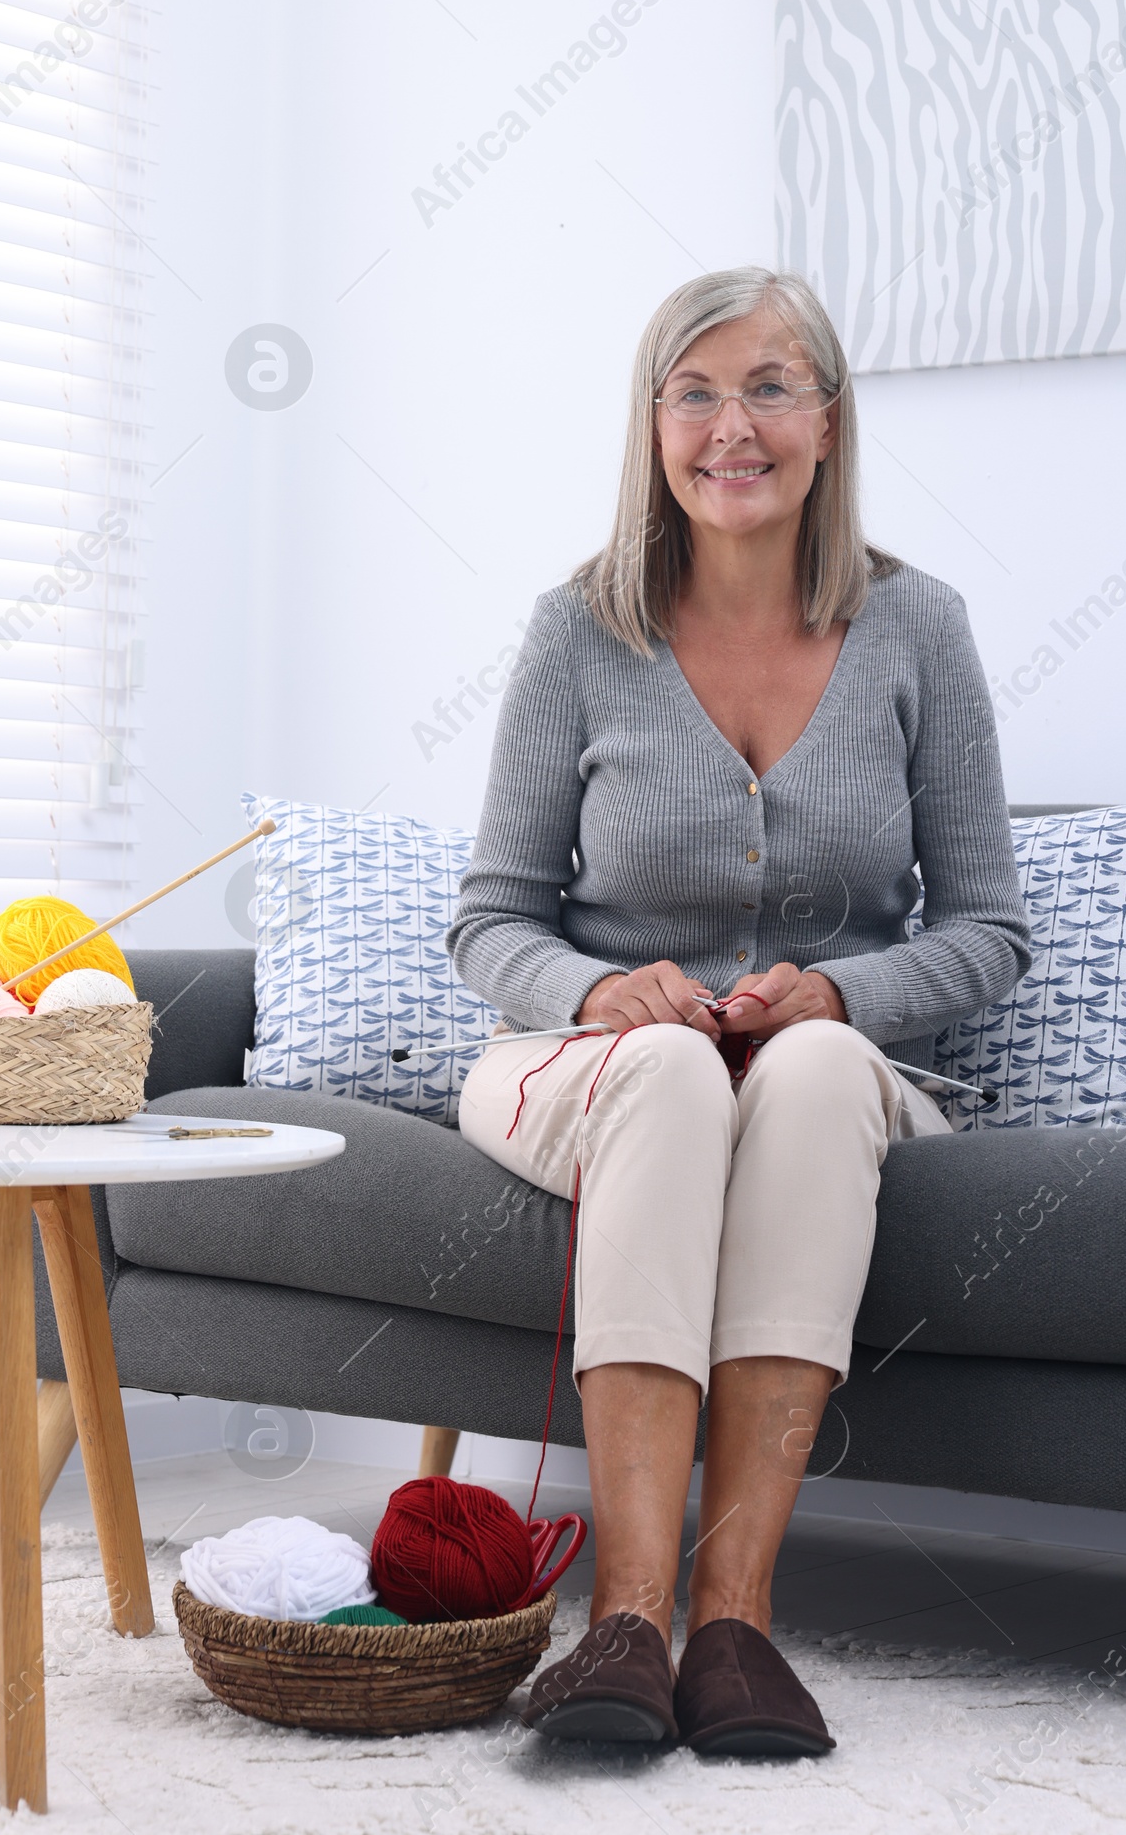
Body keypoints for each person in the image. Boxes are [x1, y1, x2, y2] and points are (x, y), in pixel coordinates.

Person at [448, 267, 1029, 1756]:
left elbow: (988, 930)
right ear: (653, 426)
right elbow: (490, 917)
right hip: (584, 1065)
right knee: (670, 1075)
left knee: (822, 1068)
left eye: (771, 386)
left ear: (829, 421)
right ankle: (625, 1616)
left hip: (828, 1080)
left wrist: (841, 989)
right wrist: (599, 986)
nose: (733, 426)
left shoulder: (920, 631)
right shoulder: (577, 632)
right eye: (695, 391)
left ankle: (735, 1615)